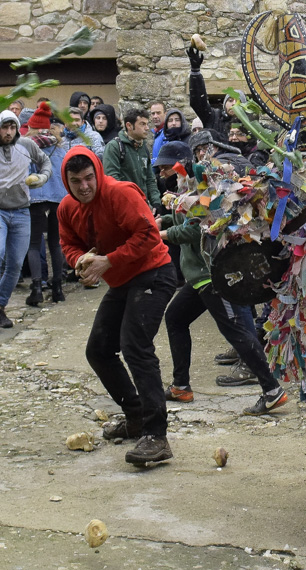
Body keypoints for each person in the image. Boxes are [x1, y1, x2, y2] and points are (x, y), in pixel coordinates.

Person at [57, 146, 177, 465]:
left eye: (88, 178)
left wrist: (108, 261)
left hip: (154, 272)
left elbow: (150, 236)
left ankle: (157, 435)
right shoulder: (67, 207)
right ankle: (135, 416)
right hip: (123, 280)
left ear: (97, 172)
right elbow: (68, 242)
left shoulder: (120, 193)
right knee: (98, 349)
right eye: (75, 181)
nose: (84, 186)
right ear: (66, 182)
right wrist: (80, 261)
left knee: (135, 346)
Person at [155, 142, 289, 415]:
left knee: (238, 332)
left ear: (182, 162)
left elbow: (200, 229)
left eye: (167, 165)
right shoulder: (185, 185)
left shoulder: (202, 186)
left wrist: (163, 235)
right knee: (176, 318)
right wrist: (164, 223)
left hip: (213, 275)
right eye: (160, 167)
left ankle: (272, 390)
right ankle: (181, 385)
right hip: (199, 276)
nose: (162, 171)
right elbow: (187, 218)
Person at [0, 109, 52, 327]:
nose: (9, 132)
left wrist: (42, 177)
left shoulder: (27, 145)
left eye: (13, 127)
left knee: (15, 264)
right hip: (0, 211)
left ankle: (1, 306)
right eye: (5, 127)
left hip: (22, 210)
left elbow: (46, 163)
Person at [23, 103, 68, 305]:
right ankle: (58, 288)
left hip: (36, 200)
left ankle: (37, 289)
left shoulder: (26, 147)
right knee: (55, 243)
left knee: (33, 244)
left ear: (31, 128)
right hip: (58, 200)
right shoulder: (59, 147)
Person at [102, 108, 160, 212]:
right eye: (142, 124)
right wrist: (130, 202)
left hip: (143, 207)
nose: (147, 128)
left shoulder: (143, 148)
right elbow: (112, 181)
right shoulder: (114, 147)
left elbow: (149, 178)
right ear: (129, 126)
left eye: (147, 124)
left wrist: (156, 203)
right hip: (123, 208)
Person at [187, 44, 240, 138]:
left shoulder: (250, 125)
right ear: (224, 104)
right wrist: (195, 72)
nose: (234, 103)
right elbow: (198, 101)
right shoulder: (213, 117)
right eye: (230, 100)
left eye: (238, 101)